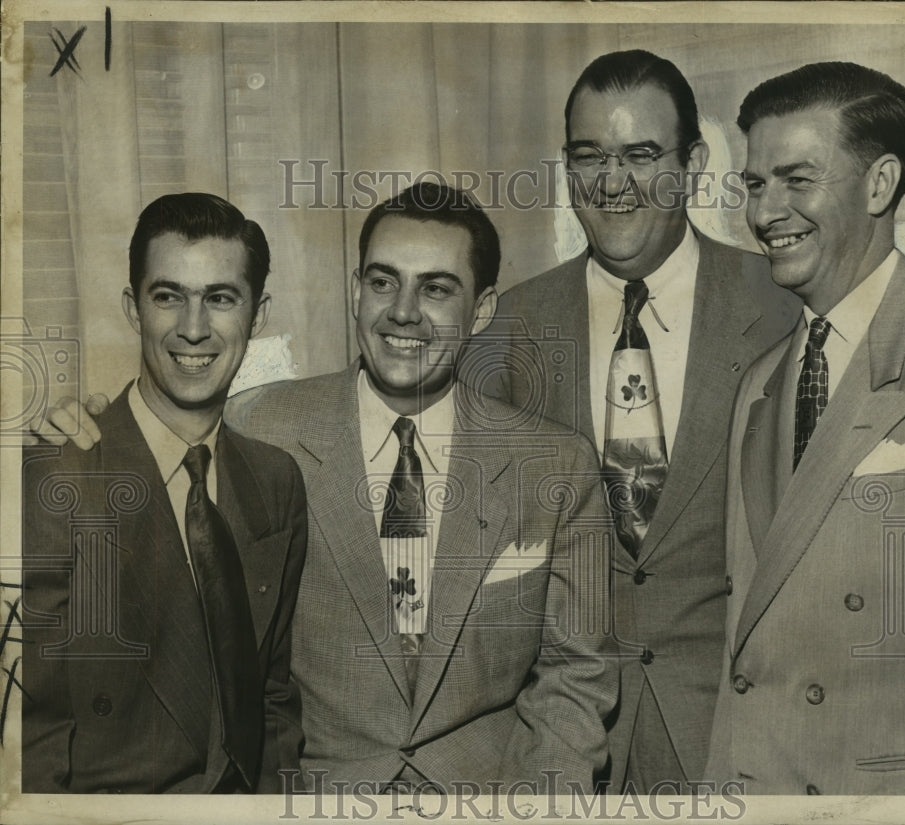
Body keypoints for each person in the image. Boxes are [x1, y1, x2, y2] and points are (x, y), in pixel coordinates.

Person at [44, 182, 618, 794]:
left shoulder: (556, 465)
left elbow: (575, 674)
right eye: (383, 282)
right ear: (355, 291)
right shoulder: (255, 430)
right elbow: (151, 442)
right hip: (312, 797)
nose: (403, 312)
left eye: (436, 289)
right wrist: (78, 432)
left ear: (481, 309)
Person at [474, 49, 799, 792]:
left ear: (693, 165)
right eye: (590, 157)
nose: (612, 183)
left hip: (739, 736)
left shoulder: (784, 306)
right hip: (561, 746)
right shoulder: (508, 326)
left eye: (642, 156)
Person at [705, 62, 905, 794]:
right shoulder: (760, 383)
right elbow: (743, 641)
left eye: (797, 180)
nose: (766, 213)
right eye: (755, 185)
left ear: (880, 184)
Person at [21, 193, 308, 793]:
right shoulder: (59, 475)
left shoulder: (275, 480)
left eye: (220, 298)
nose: (193, 329)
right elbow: (35, 734)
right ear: (134, 308)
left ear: (257, 315)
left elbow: (272, 698)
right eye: (168, 296)